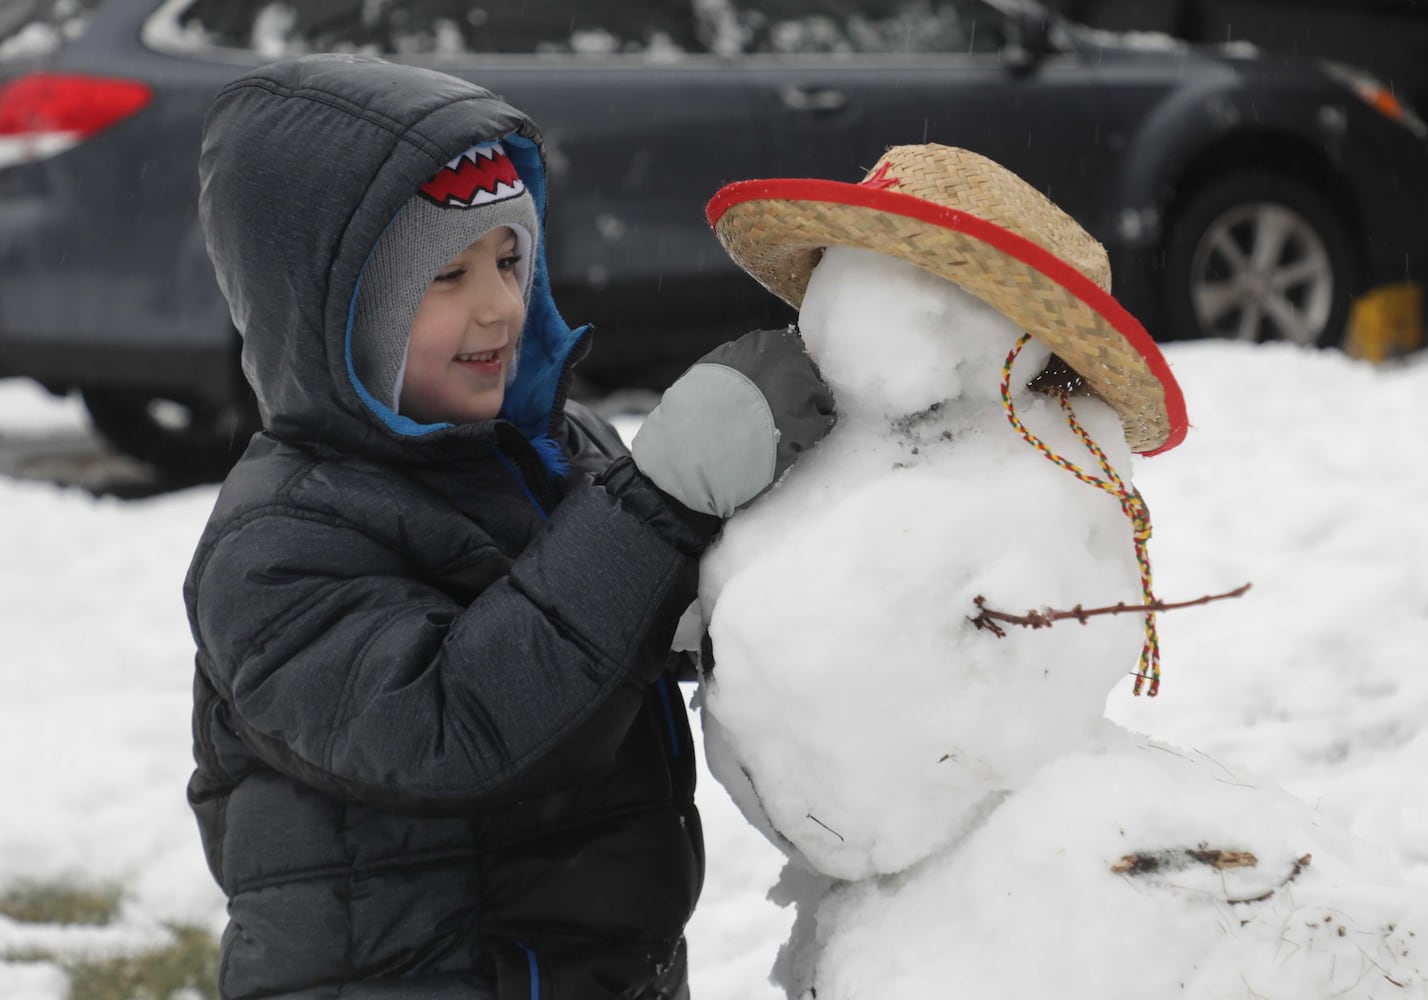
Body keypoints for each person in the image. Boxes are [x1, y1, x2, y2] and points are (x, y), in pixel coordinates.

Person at [183, 54, 835, 1000]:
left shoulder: (558, 450)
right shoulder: (280, 544)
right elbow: (454, 727)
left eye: (509, 258)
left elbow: (598, 627)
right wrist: (657, 507)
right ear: (330, 319)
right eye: (444, 275)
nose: (497, 304)